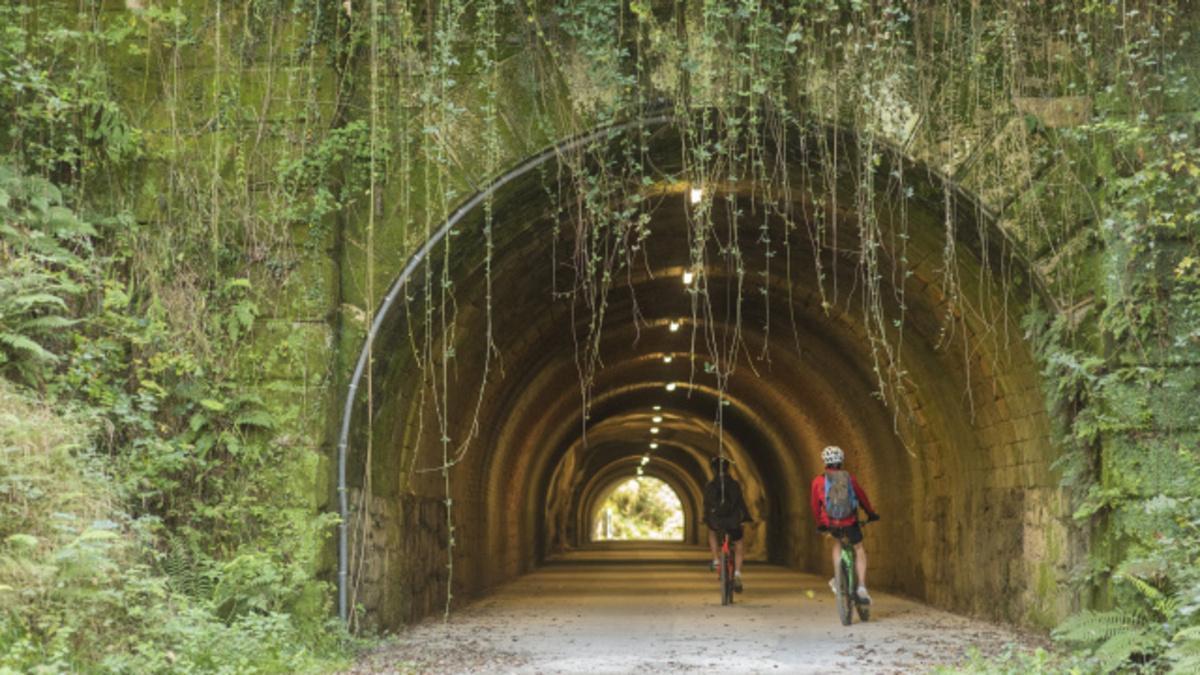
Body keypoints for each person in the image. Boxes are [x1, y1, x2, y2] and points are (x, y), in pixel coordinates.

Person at [810, 445, 880, 603]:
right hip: (850, 521)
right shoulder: (849, 479)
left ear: (824, 462)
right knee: (859, 548)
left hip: (831, 522)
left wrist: (820, 523)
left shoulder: (818, 481)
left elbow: (815, 505)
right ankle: (862, 586)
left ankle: (837, 576)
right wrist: (871, 513)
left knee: (837, 542)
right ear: (841, 461)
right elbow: (862, 498)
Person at [703, 456, 752, 592]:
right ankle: (737, 573)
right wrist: (745, 517)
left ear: (713, 469)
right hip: (733, 521)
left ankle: (716, 560)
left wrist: (706, 518)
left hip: (716, 522)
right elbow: (740, 503)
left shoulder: (710, 486)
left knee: (712, 532)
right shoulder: (735, 485)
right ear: (727, 468)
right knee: (739, 542)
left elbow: (706, 505)